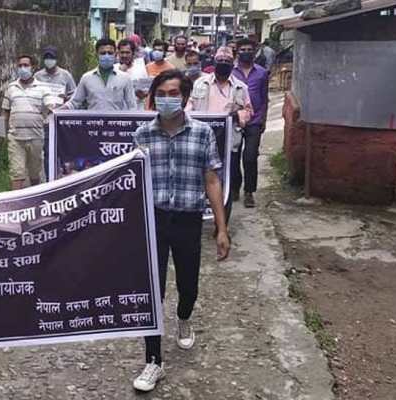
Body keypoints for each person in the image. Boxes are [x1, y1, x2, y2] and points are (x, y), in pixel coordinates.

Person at [132, 69, 230, 392]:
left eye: (175, 93)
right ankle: (153, 362)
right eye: (162, 92)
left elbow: (212, 180)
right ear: (153, 97)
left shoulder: (202, 133)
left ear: (185, 98)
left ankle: (184, 317)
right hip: (154, 221)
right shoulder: (141, 135)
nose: (168, 98)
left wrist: (221, 228)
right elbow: (130, 184)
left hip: (188, 221)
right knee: (152, 292)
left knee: (188, 286)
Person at [185, 46, 253, 219]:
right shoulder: (200, 83)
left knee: (225, 184)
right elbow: (190, 105)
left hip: (228, 142)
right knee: (199, 180)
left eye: (227, 62)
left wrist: (237, 115)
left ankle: (222, 222)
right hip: (201, 140)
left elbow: (249, 111)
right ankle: (197, 217)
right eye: (220, 61)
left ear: (233, 64)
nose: (223, 64)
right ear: (214, 62)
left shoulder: (240, 88)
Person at [2, 54, 54, 190]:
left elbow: (51, 107)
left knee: (34, 173)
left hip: (36, 137)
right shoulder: (11, 88)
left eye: (26, 65)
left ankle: (34, 201)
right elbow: (5, 111)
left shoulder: (43, 88)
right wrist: (3, 130)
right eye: (20, 66)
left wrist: (55, 105)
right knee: (16, 173)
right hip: (15, 138)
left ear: (33, 67)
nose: (22, 68)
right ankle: (15, 205)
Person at [231, 38, 270, 208]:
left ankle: (249, 192)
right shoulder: (231, 72)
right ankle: (234, 188)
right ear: (238, 52)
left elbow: (264, 98)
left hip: (254, 121)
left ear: (254, 52)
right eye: (243, 49)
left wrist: (263, 119)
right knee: (233, 157)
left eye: (249, 49)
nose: (246, 52)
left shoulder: (261, 73)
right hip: (235, 120)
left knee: (250, 157)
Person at [62, 38, 137, 111]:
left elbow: (132, 106)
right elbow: (74, 103)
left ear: (115, 54)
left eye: (110, 53)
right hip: (94, 122)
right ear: (96, 55)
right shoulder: (87, 78)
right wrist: (56, 111)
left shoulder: (125, 78)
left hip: (117, 122)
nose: (106, 56)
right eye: (103, 53)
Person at [115, 38, 150, 110]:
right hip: (118, 113)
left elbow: (146, 91)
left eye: (127, 52)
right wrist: (120, 73)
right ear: (118, 53)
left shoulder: (141, 68)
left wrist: (143, 94)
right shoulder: (113, 69)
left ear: (133, 53)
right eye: (122, 52)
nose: (124, 55)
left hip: (137, 112)